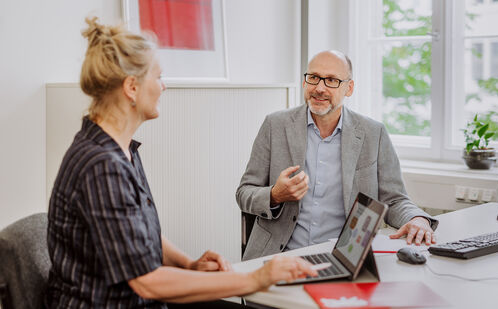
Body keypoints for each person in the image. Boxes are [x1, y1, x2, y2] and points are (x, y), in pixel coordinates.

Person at [44, 17, 317, 309]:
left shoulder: (122, 150)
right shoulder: (101, 165)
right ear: (132, 88)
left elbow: (140, 235)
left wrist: (188, 263)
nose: (164, 87)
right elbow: (147, 281)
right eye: (158, 77)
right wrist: (254, 279)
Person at [236, 50, 439, 261]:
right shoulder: (275, 125)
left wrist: (417, 219)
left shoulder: (373, 133)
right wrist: (275, 195)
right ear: (305, 82)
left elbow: (394, 199)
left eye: (331, 80)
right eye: (313, 78)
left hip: (344, 258)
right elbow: (244, 193)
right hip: (279, 257)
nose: (320, 88)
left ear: (348, 88)